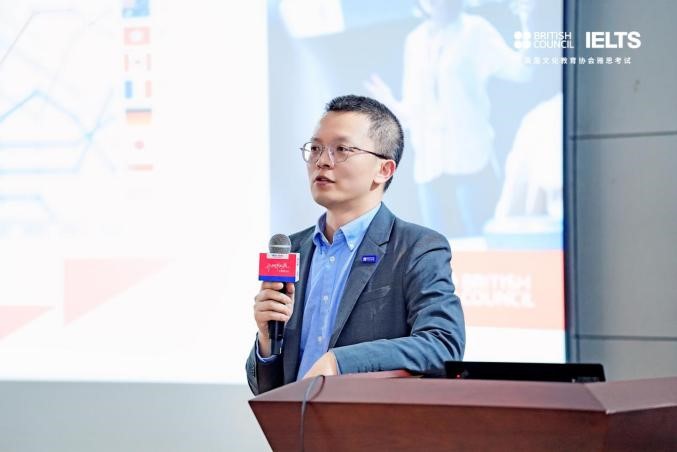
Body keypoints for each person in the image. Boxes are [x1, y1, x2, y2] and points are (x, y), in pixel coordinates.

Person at [246, 95, 465, 395]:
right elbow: (264, 389)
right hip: (295, 422)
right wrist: (266, 342)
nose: (322, 160)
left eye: (342, 149)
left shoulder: (417, 248)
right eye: (315, 148)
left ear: (384, 170)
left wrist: (340, 362)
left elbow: (442, 344)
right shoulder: (294, 250)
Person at [365, 0, 532, 237]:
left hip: (470, 161)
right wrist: (389, 102)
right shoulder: (415, 41)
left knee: (480, 247)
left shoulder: (476, 31)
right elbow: (413, 112)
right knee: (434, 251)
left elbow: (523, 71)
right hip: (430, 167)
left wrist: (528, 21)